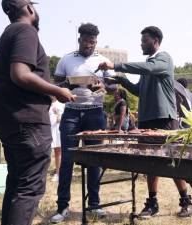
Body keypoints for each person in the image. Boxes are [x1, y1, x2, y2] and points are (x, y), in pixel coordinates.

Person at [0, 1, 75, 225]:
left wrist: (64, 86)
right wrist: (56, 91)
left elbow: (23, 76)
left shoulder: (8, 33)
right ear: (29, 8)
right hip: (26, 118)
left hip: (9, 114)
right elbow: (20, 74)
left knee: (17, 182)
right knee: (29, 187)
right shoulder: (26, 31)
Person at [98, 26, 192, 218]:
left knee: (171, 160)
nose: (141, 43)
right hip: (146, 119)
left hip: (164, 119)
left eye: (144, 40)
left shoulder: (164, 59)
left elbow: (150, 68)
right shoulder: (147, 65)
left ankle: (187, 200)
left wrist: (116, 66)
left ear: (156, 41)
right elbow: (138, 91)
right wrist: (119, 80)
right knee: (149, 162)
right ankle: (152, 204)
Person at [50, 23, 116, 223]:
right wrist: (68, 84)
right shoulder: (66, 59)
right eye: (86, 41)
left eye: (93, 42)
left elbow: (113, 88)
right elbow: (56, 86)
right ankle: (62, 207)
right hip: (71, 113)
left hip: (94, 112)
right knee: (67, 161)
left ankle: (94, 205)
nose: (90, 45)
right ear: (79, 39)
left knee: (94, 160)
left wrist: (102, 85)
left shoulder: (103, 60)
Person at [49, 97, 65, 182]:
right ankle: (58, 172)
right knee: (55, 152)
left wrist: (60, 117)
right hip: (50, 129)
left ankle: (59, 173)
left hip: (58, 130)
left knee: (58, 151)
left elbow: (66, 115)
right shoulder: (47, 103)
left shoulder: (61, 103)